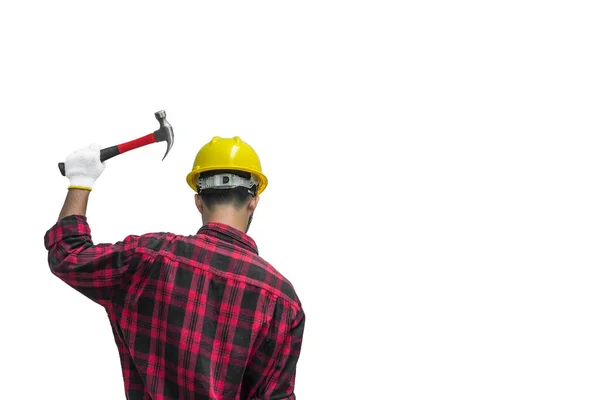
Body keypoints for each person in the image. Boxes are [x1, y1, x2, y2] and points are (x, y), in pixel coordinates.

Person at [44, 136, 305, 400]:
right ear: (253, 201)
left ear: (198, 201)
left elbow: (68, 254)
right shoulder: (282, 301)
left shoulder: (148, 258)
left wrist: (80, 181)